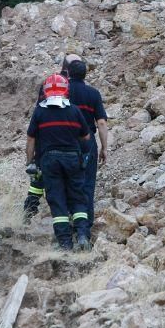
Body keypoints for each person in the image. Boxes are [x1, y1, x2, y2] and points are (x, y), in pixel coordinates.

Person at [26, 74, 92, 251]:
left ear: (45, 92)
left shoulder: (40, 111)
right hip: (72, 158)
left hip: (49, 160)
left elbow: (31, 138)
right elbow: (86, 136)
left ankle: (64, 243)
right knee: (78, 197)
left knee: (57, 199)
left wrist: (30, 162)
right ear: (66, 91)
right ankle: (83, 235)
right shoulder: (74, 110)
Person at [65, 58, 108, 226]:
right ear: (85, 74)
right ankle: (85, 224)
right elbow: (102, 123)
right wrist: (104, 148)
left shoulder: (63, 92)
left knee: (67, 180)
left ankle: (68, 219)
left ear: (68, 73)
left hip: (65, 139)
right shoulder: (93, 93)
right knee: (87, 183)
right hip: (87, 141)